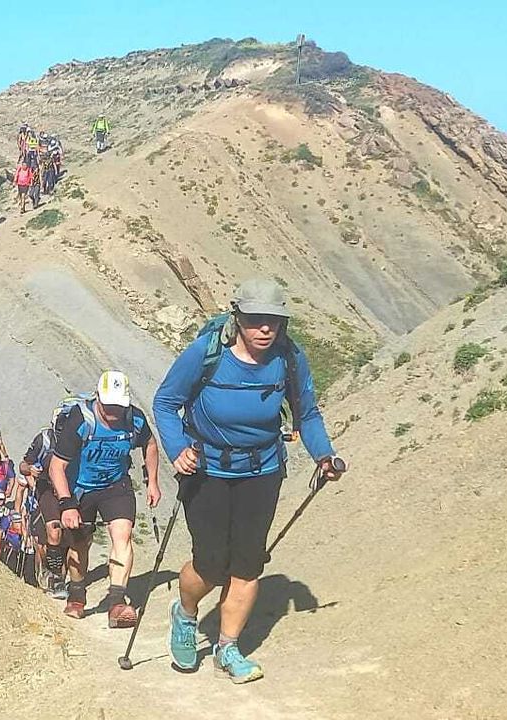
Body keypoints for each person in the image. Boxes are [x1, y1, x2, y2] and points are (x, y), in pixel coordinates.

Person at [151, 277, 342, 684]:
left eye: (273, 320)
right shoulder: (207, 352)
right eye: (255, 319)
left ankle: (228, 648)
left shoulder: (289, 358)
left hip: (263, 471)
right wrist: (176, 448)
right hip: (207, 470)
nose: (265, 328)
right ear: (238, 317)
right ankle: (185, 614)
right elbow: (166, 403)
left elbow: (306, 414)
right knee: (211, 562)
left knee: (248, 563)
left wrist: (324, 454)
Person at [48, 371, 160, 628]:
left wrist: (152, 481)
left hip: (116, 486)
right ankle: (77, 595)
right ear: (97, 397)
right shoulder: (81, 419)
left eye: (118, 406)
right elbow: (57, 466)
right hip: (80, 489)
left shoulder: (135, 420)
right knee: (79, 543)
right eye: (108, 405)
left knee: (123, 535)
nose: (113, 412)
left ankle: (117, 602)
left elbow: (150, 445)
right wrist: (66, 504)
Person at [20, 426, 69, 599]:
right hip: (46, 488)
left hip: (72, 488)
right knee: (52, 532)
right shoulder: (45, 439)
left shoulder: (84, 436)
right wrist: (31, 471)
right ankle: (53, 577)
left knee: (73, 538)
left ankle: (61, 576)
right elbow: (24, 464)